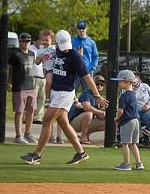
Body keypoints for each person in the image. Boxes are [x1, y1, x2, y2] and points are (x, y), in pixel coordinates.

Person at [21, 30, 107, 165]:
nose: (65, 48)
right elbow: (41, 58)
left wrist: (96, 95)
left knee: (47, 120)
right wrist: (40, 59)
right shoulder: (56, 50)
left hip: (65, 94)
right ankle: (81, 153)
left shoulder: (75, 56)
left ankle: (37, 154)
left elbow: (87, 77)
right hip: (56, 92)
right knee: (64, 124)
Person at [35, 29, 63, 143]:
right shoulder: (41, 50)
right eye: (43, 40)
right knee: (48, 80)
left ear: (52, 40)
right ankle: (47, 98)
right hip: (47, 70)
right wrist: (41, 58)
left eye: (47, 40)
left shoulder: (54, 49)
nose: (45, 42)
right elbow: (36, 62)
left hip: (56, 70)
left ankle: (58, 136)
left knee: (61, 110)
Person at [8, 33, 37, 144]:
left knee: (31, 110)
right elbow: (9, 68)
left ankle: (28, 133)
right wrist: (9, 82)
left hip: (31, 85)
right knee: (19, 111)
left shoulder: (31, 53)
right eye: (24, 41)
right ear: (20, 42)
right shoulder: (15, 54)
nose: (26, 43)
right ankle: (18, 135)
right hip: (19, 86)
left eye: (28, 41)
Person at [113, 70, 143, 171]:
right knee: (133, 143)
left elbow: (120, 111)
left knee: (125, 143)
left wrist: (117, 118)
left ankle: (126, 164)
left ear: (127, 82)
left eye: (120, 81)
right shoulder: (133, 94)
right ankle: (139, 163)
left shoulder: (124, 95)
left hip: (127, 121)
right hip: (135, 121)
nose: (119, 83)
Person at [67, 74, 107, 145]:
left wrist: (103, 113)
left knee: (108, 123)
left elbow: (101, 115)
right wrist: (99, 112)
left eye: (102, 84)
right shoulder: (87, 93)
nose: (99, 86)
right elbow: (86, 107)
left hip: (86, 121)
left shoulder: (100, 98)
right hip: (73, 122)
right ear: (93, 84)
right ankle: (83, 138)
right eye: (97, 84)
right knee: (89, 113)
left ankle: (86, 135)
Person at [71, 20, 98, 92]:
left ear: (87, 29)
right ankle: (73, 103)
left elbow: (95, 56)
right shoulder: (72, 41)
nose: (81, 30)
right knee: (72, 90)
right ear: (77, 29)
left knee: (87, 91)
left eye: (83, 28)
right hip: (75, 70)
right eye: (79, 28)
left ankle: (86, 103)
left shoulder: (91, 42)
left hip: (87, 70)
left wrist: (92, 67)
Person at [29, 34, 46, 124]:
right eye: (40, 40)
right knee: (32, 99)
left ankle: (38, 117)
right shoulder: (31, 49)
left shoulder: (44, 49)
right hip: (33, 76)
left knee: (42, 98)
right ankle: (28, 116)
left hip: (43, 77)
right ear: (35, 41)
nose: (41, 42)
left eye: (42, 40)